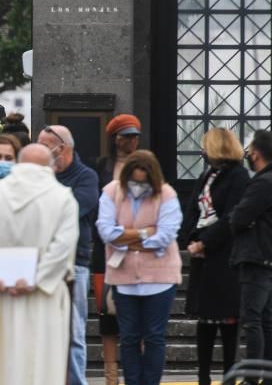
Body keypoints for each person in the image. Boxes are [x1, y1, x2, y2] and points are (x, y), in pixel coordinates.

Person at [0, 143, 79, 385]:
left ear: (18, 163)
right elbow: (63, 248)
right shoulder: (61, 198)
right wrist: (36, 280)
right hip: (42, 297)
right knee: (40, 364)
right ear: (50, 166)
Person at [97, 150, 182, 385]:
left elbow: (165, 236)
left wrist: (125, 238)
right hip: (123, 278)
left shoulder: (166, 194)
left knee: (154, 337)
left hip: (160, 278)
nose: (138, 186)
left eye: (143, 182)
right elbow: (106, 231)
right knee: (129, 337)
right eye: (134, 181)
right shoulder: (111, 192)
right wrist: (145, 233)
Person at [178, 127, 248, 385]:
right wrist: (188, 238)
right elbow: (192, 209)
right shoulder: (206, 174)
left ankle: (229, 376)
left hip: (224, 257)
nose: (202, 151)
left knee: (229, 322)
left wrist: (206, 242)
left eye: (206, 146)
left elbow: (232, 216)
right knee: (205, 320)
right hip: (203, 258)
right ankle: (203, 376)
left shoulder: (238, 177)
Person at [37, 124, 99, 385]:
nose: (39, 150)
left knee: (73, 332)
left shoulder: (86, 177)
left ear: (61, 148)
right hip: (38, 262)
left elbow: (71, 211)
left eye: (43, 145)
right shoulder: (37, 176)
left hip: (75, 264)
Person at [93, 113, 143, 385]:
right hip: (107, 250)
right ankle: (111, 377)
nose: (132, 141)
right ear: (115, 138)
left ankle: (137, 373)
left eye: (135, 136)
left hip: (138, 250)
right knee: (107, 317)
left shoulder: (146, 166)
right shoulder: (102, 166)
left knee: (139, 315)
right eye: (127, 136)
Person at [231, 129, 272, 368]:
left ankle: (253, 374)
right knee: (265, 318)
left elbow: (239, 217)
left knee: (253, 319)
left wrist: (236, 218)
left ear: (255, 154)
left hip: (256, 257)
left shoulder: (262, 183)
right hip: (266, 257)